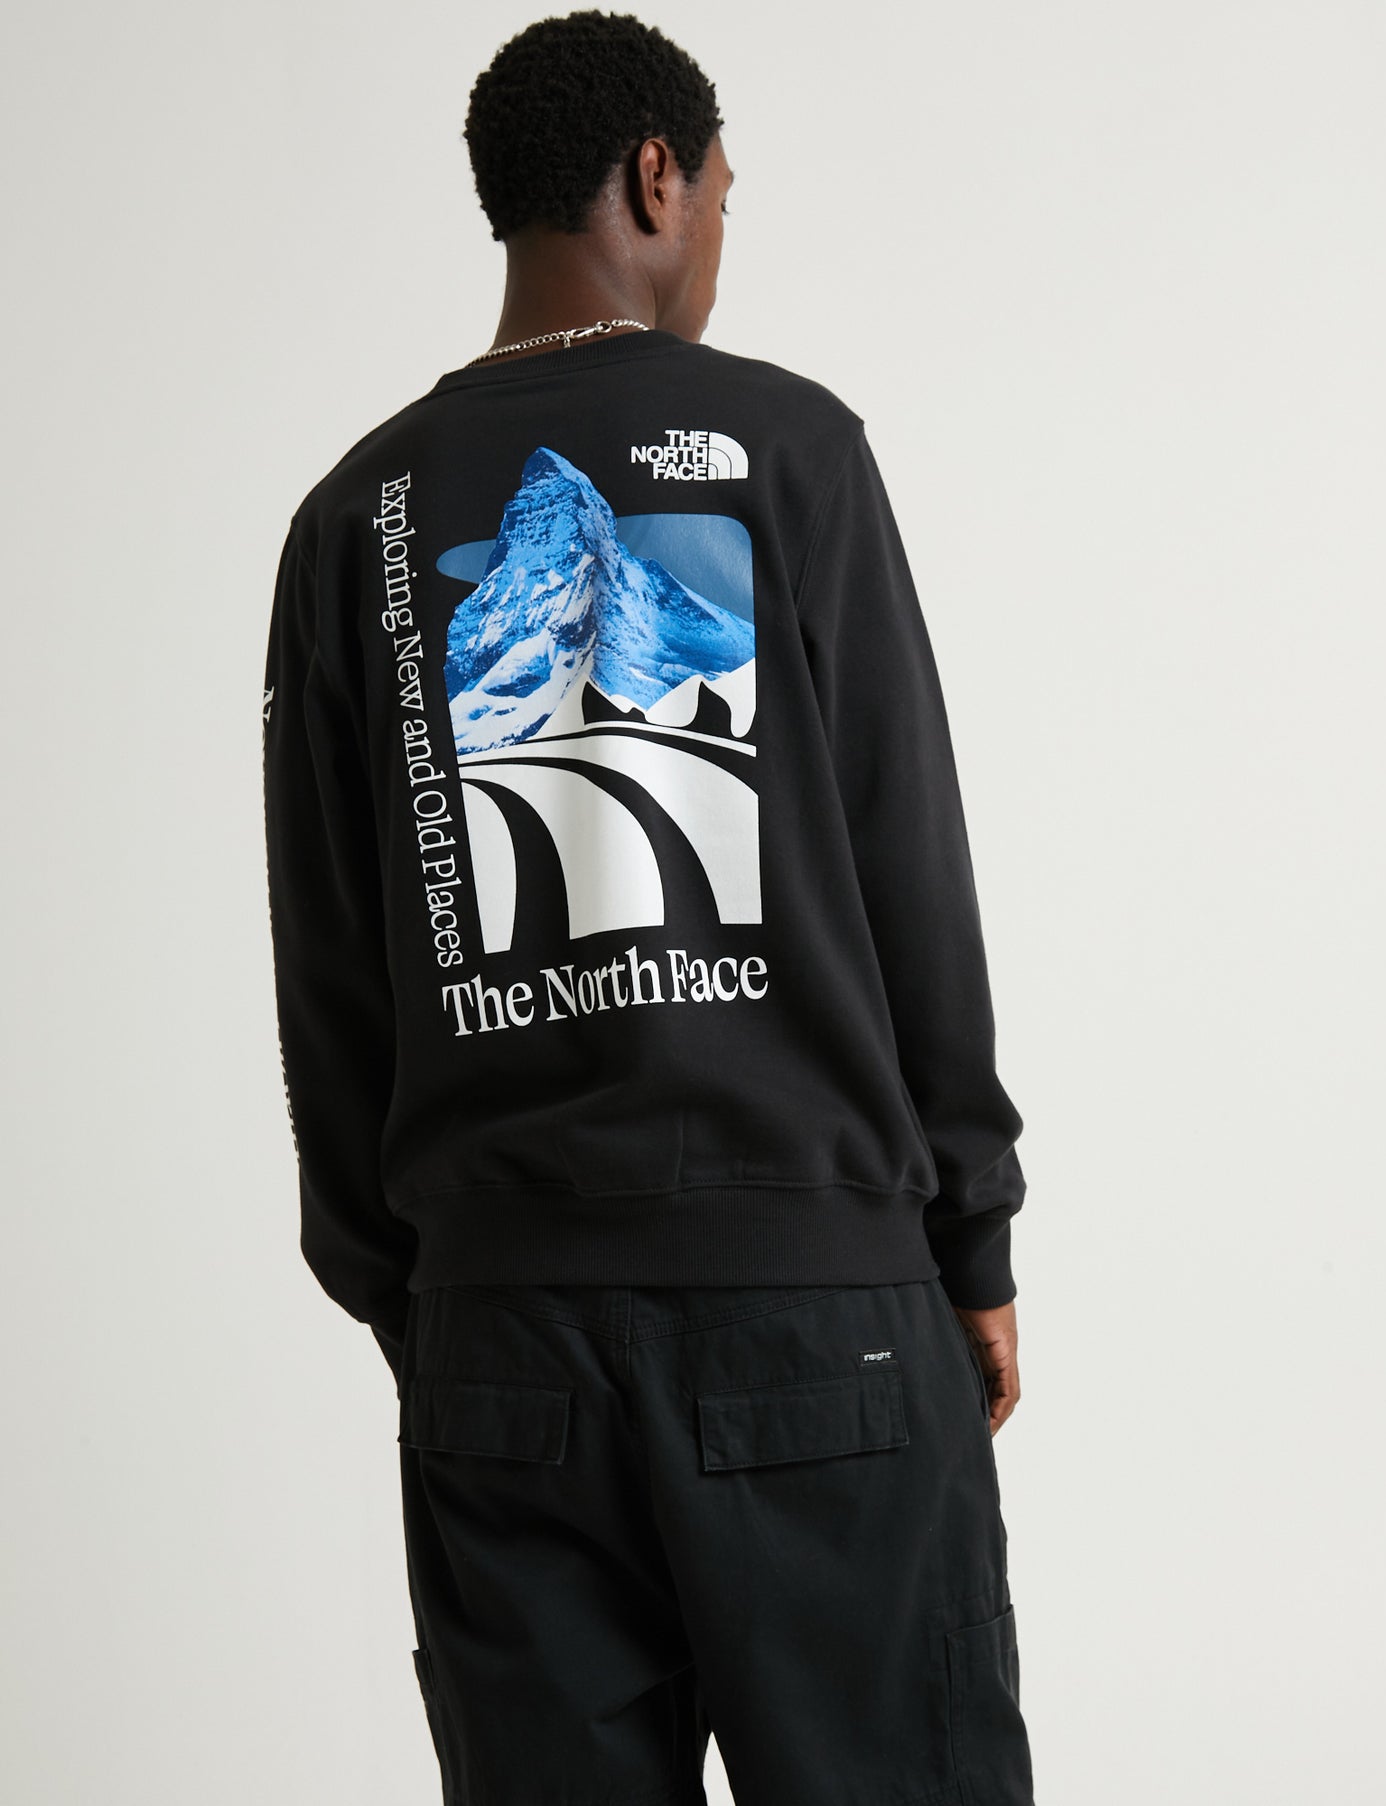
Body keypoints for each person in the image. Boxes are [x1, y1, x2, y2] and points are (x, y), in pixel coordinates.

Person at [260, 10, 1035, 1803]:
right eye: (724, 198)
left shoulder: (351, 514)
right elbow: (906, 859)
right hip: (818, 1303)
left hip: (499, 1338)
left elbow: (329, 956)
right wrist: (971, 1232)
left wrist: (424, 1292)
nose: (717, 241)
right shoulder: (789, 446)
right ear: (656, 175)